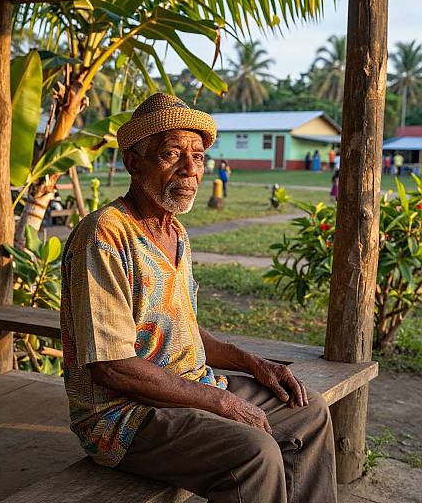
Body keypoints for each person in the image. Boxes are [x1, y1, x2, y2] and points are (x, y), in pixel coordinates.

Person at [60, 93, 337, 503]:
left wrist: (252, 363)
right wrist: (223, 402)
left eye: (199, 156)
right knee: (253, 455)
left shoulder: (177, 234)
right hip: (123, 416)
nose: (190, 169)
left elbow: (180, 328)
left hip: (190, 386)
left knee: (307, 412)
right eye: (172, 154)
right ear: (134, 162)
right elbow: (112, 368)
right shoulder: (104, 234)